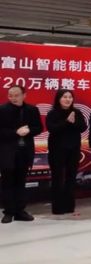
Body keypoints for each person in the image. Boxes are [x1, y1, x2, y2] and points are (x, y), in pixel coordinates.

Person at [0, 86, 43, 223]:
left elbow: (39, 128)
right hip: (7, 152)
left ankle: (20, 211)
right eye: (10, 95)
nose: (13, 98)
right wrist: (15, 133)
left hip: (25, 151)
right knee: (7, 182)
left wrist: (29, 130)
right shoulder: (2, 110)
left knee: (21, 181)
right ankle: (8, 211)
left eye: (16, 95)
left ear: (24, 95)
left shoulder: (32, 110)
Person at [45, 89, 87, 215]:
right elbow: (51, 128)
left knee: (71, 177)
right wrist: (66, 122)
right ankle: (57, 207)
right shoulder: (52, 113)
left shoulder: (77, 112)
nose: (68, 99)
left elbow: (83, 127)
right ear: (58, 99)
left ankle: (69, 206)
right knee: (57, 177)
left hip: (73, 149)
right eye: (64, 97)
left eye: (70, 97)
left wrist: (73, 123)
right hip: (57, 150)